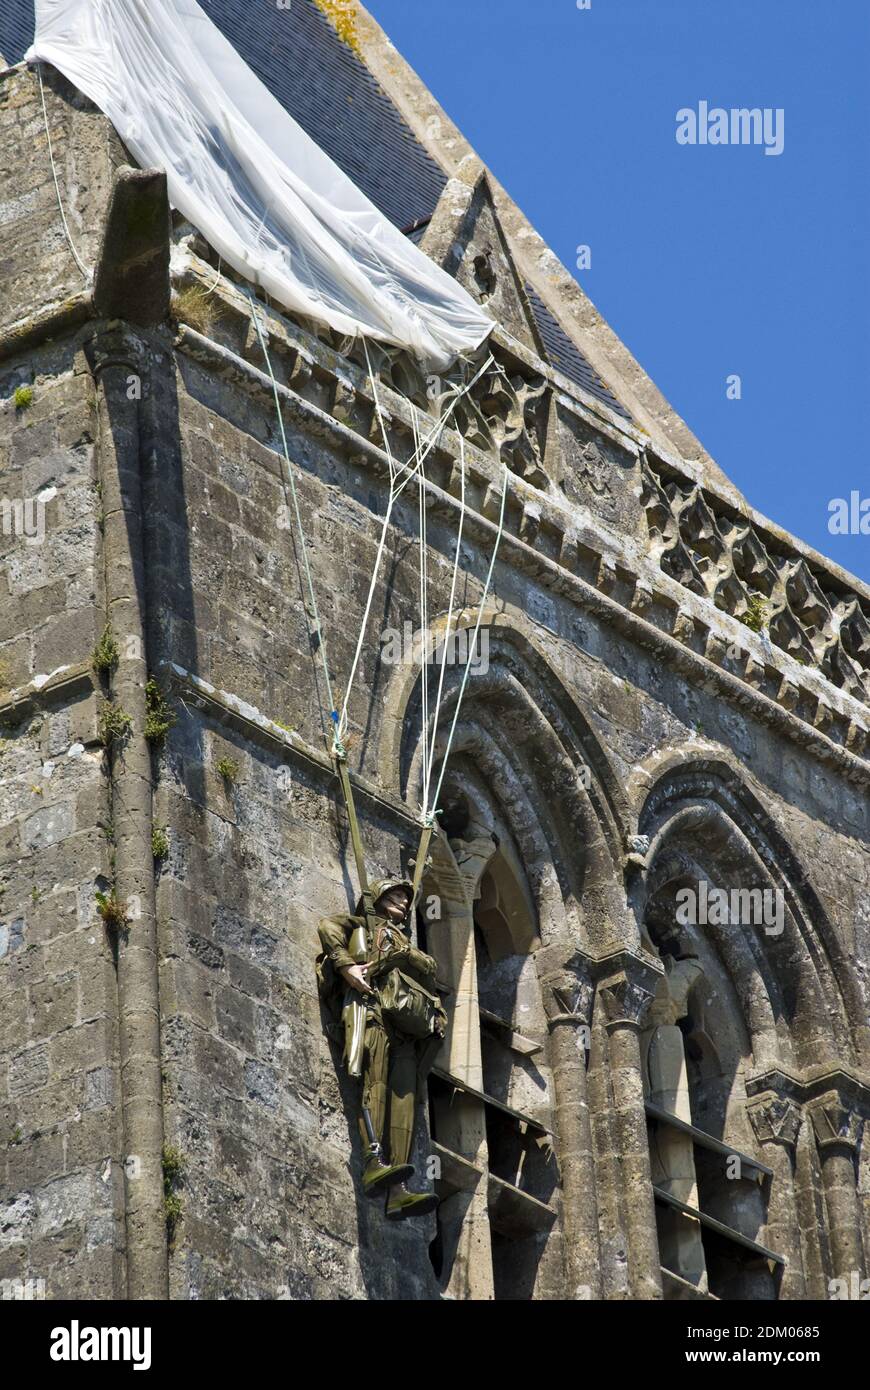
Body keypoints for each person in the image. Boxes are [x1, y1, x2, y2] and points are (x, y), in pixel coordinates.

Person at [316, 876, 447, 1220]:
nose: (404, 901)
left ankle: (399, 1185)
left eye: (407, 897)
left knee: (404, 1096)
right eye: (395, 894)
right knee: (376, 1085)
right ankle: (375, 1159)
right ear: (376, 898)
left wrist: (405, 954)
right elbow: (328, 925)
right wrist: (347, 967)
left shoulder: (404, 941)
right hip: (373, 1013)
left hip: (406, 1028)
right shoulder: (363, 925)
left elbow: (430, 969)